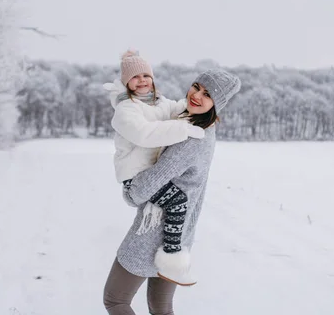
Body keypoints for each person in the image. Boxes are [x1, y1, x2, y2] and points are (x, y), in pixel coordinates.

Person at [103, 68, 242, 315]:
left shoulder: (191, 139)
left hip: (154, 231)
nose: (196, 95)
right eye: (197, 86)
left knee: (115, 300)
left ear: (217, 103)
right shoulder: (201, 127)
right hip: (178, 235)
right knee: (161, 308)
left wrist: (130, 191)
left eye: (207, 94)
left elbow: (147, 184)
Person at [103, 51, 206, 286]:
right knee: (177, 200)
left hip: (151, 175)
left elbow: (179, 108)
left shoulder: (159, 102)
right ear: (126, 82)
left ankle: (170, 252)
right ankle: (172, 257)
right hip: (135, 178)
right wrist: (183, 130)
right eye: (135, 76)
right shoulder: (125, 109)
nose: (142, 80)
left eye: (146, 75)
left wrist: (202, 107)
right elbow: (143, 134)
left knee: (181, 200)